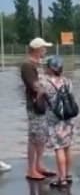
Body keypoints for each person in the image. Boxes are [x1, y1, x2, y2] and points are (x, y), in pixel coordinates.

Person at [21, 37, 55, 181]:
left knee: (42, 137)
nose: (45, 50)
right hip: (35, 106)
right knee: (34, 138)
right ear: (36, 49)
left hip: (43, 105)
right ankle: (31, 170)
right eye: (43, 48)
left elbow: (43, 84)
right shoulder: (27, 65)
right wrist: (48, 87)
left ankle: (39, 165)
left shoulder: (38, 64)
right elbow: (35, 86)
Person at [41, 56, 77, 188]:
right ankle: (68, 175)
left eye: (47, 66)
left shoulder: (45, 83)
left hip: (55, 120)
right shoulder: (67, 81)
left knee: (59, 149)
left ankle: (61, 180)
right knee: (67, 147)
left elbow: (39, 99)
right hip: (68, 119)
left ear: (51, 68)